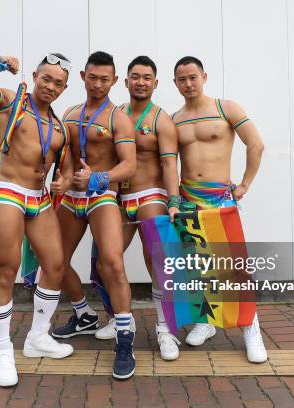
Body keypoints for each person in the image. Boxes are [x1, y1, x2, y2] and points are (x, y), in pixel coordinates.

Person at [0, 53, 75, 387]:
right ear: (35, 76)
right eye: (47, 79)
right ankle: (3, 349)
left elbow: (63, 168)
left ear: (64, 88)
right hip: (9, 191)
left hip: (39, 199)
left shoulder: (58, 125)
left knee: (55, 265)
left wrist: (64, 180)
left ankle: (38, 337)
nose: (51, 87)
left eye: (58, 84)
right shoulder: (12, 101)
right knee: (5, 271)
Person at [171, 56, 267, 363]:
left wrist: (245, 184)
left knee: (232, 267)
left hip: (220, 197)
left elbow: (256, 144)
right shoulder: (174, 119)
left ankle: (251, 329)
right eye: (182, 79)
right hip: (188, 197)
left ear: (204, 76)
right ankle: (206, 320)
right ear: (175, 83)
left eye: (192, 77)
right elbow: (168, 162)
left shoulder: (227, 108)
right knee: (197, 265)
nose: (188, 83)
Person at [88, 56, 183, 361]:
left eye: (147, 77)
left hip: (150, 195)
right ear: (125, 81)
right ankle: (119, 317)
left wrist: (173, 200)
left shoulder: (162, 120)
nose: (140, 82)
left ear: (155, 83)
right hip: (119, 199)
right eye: (135, 76)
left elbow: (170, 163)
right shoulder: (115, 114)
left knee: (157, 261)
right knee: (106, 262)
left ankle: (165, 328)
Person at [50, 51, 138, 379]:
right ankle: (83, 314)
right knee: (53, 261)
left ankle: (125, 338)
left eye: (105, 79)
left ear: (114, 81)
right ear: (83, 77)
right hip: (72, 199)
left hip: (102, 196)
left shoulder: (119, 118)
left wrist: (99, 178)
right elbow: (64, 155)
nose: (98, 84)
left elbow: (130, 164)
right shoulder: (70, 114)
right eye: (93, 77)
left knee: (112, 263)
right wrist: (60, 180)